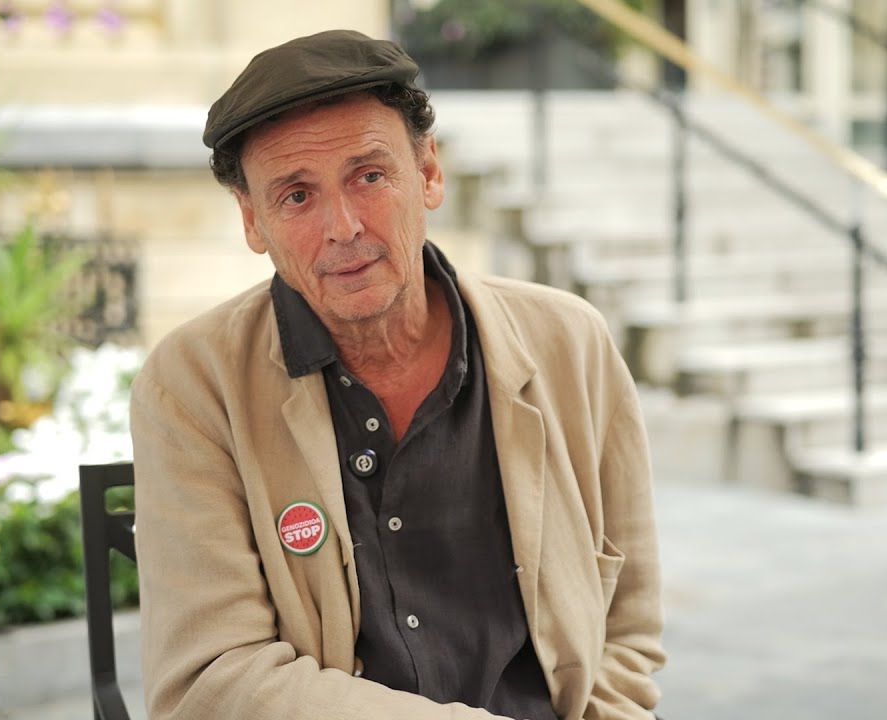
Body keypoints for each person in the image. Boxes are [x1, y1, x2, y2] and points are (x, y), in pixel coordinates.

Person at [130, 29, 666, 720]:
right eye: (296, 196)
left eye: (369, 176)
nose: (343, 226)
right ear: (253, 220)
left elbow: (627, 627)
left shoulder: (570, 342)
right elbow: (210, 680)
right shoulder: (192, 385)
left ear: (429, 173)